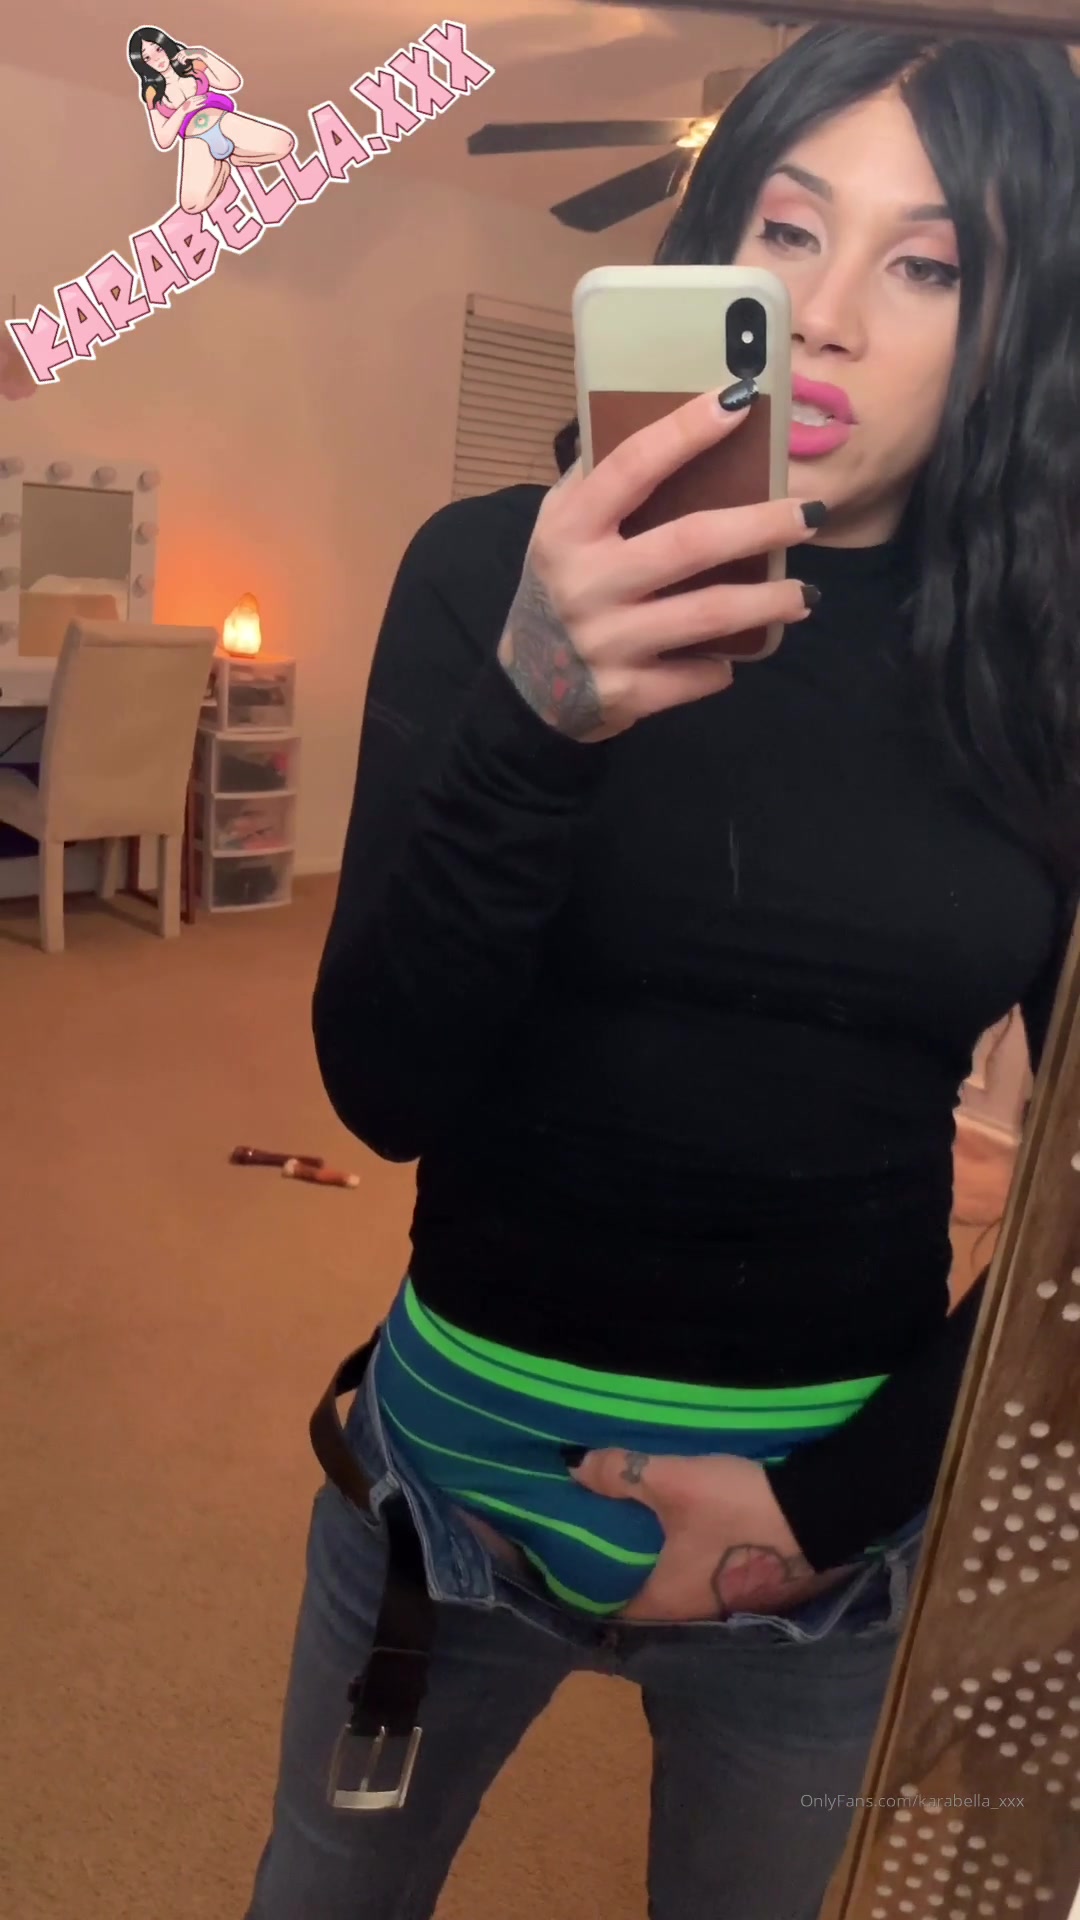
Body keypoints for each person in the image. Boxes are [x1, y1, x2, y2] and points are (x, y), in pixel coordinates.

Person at [245, 24, 1080, 1919]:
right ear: (713, 256)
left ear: (1019, 321)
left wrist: (830, 1507)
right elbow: (382, 1088)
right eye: (787, 231)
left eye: (930, 263)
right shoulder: (488, 572)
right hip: (441, 1492)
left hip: (818, 1543)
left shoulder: (1045, 677)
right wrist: (537, 715)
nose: (829, 317)